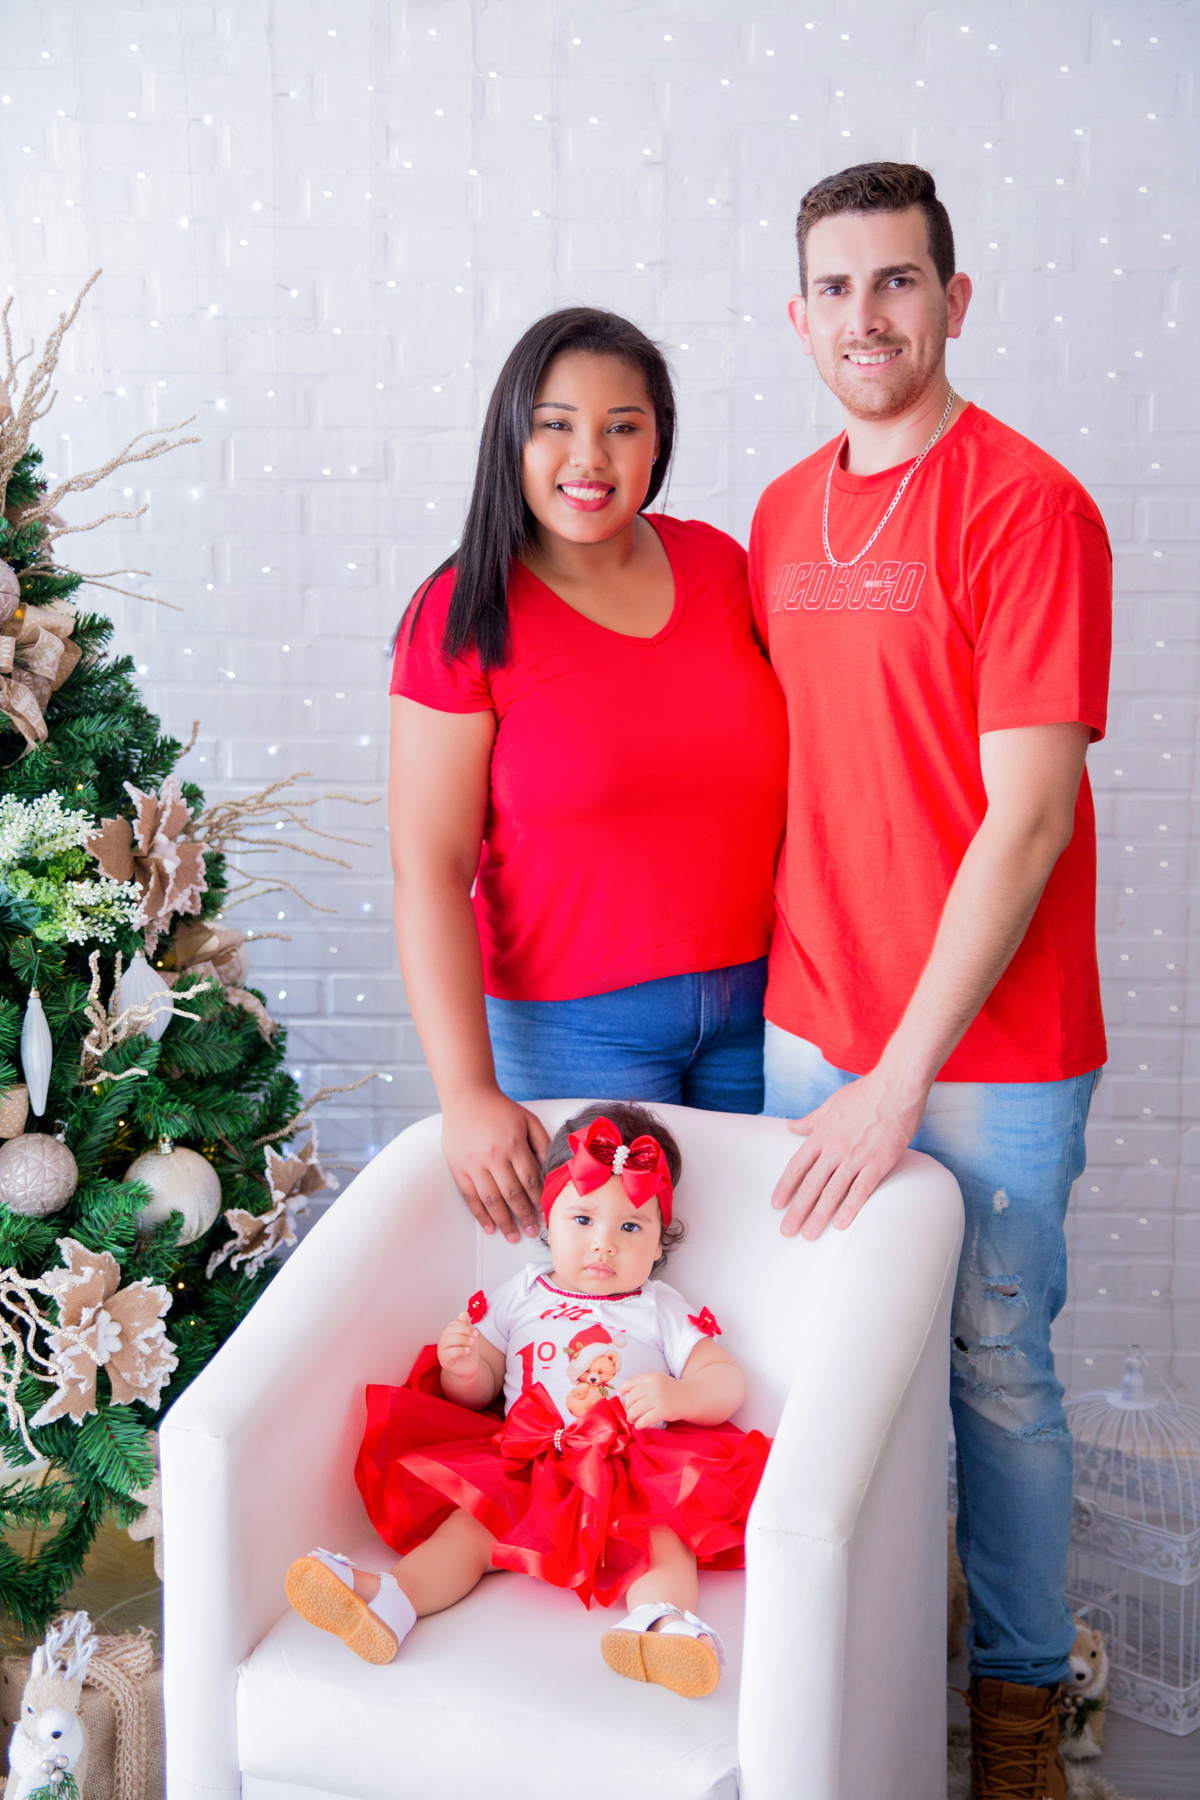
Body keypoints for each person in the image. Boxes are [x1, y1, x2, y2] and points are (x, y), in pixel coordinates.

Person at [750, 164, 1110, 1800]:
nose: (867, 318)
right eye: (837, 287)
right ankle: (866, 1690)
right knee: (836, 1376)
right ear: (798, 313)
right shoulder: (774, 514)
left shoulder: (1030, 505)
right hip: (806, 1024)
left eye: (897, 284)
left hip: (987, 1054)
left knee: (994, 1370)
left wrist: (899, 1073)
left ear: (956, 304)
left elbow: (1026, 820)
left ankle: (1019, 1715)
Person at [388, 308, 788, 1247]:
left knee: (746, 1293)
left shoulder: (724, 568)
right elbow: (429, 870)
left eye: (623, 426)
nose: (590, 456)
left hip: (763, 1012)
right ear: (513, 438)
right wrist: (467, 1091)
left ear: (659, 443)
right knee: (597, 1307)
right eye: (556, 422)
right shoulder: (464, 613)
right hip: (576, 1030)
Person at [285, 1103, 769, 1699]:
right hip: (527, 1462)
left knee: (663, 1543)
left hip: (630, 1467)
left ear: (660, 1238)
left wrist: (684, 1392)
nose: (604, 1246)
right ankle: (391, 1600)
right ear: (548, 1218)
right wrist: (463, 1366)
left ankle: (662, 1626)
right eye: (584, 1219)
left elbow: (726, 1380)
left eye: (631, 1228)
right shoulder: (520, 1295)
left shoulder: (659, 1306)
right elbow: (482, 1388)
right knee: (467, 1533)